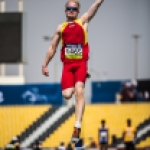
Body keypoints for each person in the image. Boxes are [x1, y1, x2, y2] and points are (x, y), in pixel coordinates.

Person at [42, 0, 104, 143]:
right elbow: (52, 47)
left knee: (79, 91)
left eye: (74, 9)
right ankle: (83, 77)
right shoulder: (60, 28)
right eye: (69, 8)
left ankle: (77, 126)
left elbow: (93, 9)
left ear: (78, 11)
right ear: (65, 11)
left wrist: (99, 1)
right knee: (67, 94)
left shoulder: (83, 22)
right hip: (68, 66)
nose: (71, 10)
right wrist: (45, 64)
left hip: (81, 63)